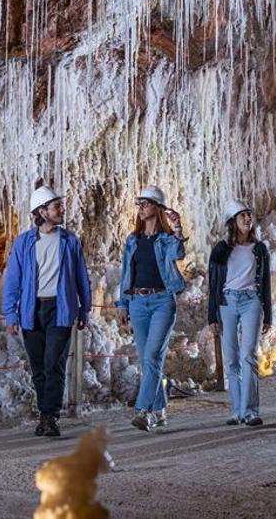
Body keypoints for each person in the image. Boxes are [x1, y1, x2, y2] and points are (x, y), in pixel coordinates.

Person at [2, 184, 91, 438]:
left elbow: (81, 278)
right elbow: (13, 280)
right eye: (56, 206)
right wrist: (11, 314)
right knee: (39, 365)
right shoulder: (24, 242)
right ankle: (44, 413)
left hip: (61, 309)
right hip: (32, 310)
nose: (62, 210)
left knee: (54, 364)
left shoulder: (70, 241)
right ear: (42, 212)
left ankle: (51, 416)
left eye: (60, 206)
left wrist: (85, 310)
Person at [117, 185, 187, 432]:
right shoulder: (132, 240)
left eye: (145, 204)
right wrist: (123, 303)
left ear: (157, 209)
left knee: (152, 356)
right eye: (139, 204)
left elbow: (179, 252)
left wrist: (177, 227)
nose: (140, 208)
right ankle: (159, 410)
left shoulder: (166, 240)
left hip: (161, 302)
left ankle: (144, 410)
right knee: (148, 361)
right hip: (137, 302)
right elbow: (126, 273)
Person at [208, 200, 273, 426]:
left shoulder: (260, 249)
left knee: (249, 355)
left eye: (249, 215)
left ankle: (251, 411)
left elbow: (265, 284)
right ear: (233, 221)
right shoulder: (221, 250)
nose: (248, 219)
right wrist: (212, 317)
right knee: (232, 358)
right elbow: (213, 283)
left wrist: (269, 315)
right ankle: (237, 410)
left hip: (251, 301)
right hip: (227, 302)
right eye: (243, 215)